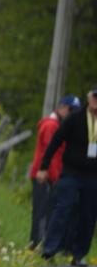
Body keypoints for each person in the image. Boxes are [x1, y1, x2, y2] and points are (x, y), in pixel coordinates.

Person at [37, 87, 97, 267]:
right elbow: (56, 141)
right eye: (95, 97)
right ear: (89, 98)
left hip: (93, 176)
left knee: (88, 215)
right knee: (63, 207)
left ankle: (78, 254)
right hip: (71, 172)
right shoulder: (75, 118)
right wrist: (44, 167)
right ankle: (49, 249)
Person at [28, 95, 81, 250]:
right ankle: (36, 245)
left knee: (48, 210)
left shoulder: (59, 125)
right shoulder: (51, 126)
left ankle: (41, 244)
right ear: (62, 108)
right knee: (41, 212)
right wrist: (50, 174)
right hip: (44, 176)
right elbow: (49, 153)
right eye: (70, 110)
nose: (72, 113)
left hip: (52, 175)